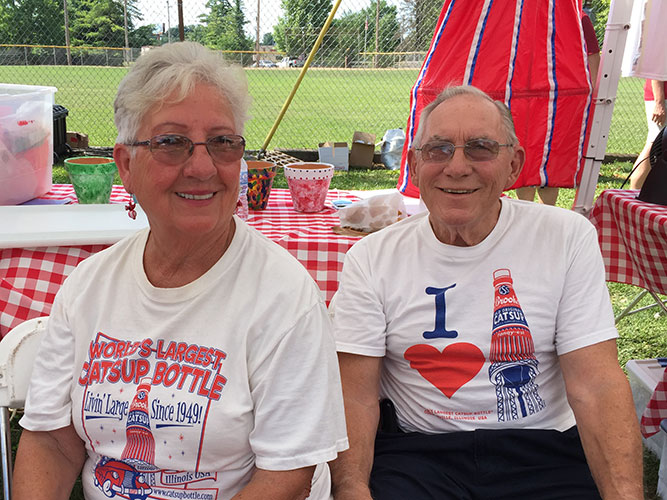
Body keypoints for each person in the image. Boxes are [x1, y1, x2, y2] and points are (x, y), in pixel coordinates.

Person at [13, 41, 348, 500]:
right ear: (126, 165)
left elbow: (287, 476)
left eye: (222, 143)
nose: (203, 166)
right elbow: (51, 440)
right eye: (171, 143)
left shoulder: (283, 297)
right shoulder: (89, 286)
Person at [329, 85, 643, 499]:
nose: (457, 167)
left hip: (543, 451)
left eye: (480, 148)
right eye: (438, 149)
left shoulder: (565, 237)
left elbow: (597, 384)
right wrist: (352, 488)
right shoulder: (372, 257)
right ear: (413, 164)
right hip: (418, 453)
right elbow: (354, 393)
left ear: (514, 165)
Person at [516, 11, 600, 205]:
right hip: (528, 99)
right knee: (526, 155)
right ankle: (526, 209)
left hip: (561, 103)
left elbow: (592, 57)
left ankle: (548, 210)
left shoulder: (579, 18)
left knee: (551, 158)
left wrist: (590, 94)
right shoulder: (525, 17)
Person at [630, 79, 666, 189]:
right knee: (654, 143)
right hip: (663, 98)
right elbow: (657, 71)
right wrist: (659, 103)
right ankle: (634, 190)